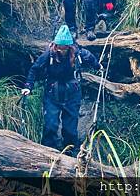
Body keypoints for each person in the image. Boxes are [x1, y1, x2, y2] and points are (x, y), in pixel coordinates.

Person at [21, 25, 103, 155]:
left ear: (69, 46)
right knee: (50, 125)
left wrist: (98, 66)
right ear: (55, 44)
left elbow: (90, 58)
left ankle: (70, 151)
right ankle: (48, 151)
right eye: (59, 46)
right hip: (52, 94)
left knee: (70, 127)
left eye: (64, 47)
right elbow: (34, 69)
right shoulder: (49, 54)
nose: (61, 49)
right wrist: (28, 86)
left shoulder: (77, 53)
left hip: (72, 94)